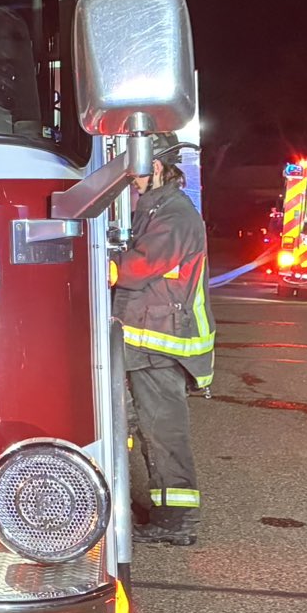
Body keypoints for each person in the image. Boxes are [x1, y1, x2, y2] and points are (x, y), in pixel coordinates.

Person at [113, 134, 214, 547]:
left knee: (163, 432)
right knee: (144, 427)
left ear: (154, 167)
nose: (131, 180)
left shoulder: (175, 216)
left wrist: (97, 261)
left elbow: (134, 270)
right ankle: (163, 511)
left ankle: (177, 520)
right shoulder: (155, 208)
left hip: (162, 344)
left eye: (135, 172)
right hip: (145, 340)